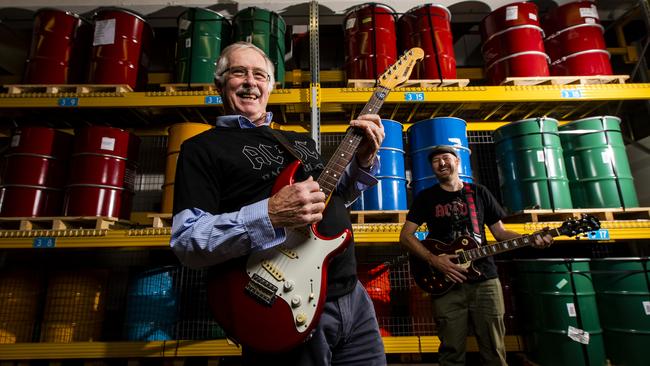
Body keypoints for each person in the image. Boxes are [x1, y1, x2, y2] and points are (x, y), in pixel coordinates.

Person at [170, 41, 387, 365]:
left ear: (271, 86)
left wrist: (364, 162)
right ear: (219, 83)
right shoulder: (201, 149)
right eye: (238, 72)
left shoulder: (298, 140)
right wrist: (269, 213)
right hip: (281, 300)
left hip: (351, 294)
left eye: (259, 74)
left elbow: (332, 199)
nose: (250, 82)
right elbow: (187, 241)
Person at [399, 145, 553, 366]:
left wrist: (530, 239)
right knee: (451, 352)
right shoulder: (426, 197)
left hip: (485, 282)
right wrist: (435, 260)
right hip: (446, 282)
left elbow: (500, 233)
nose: (441, 163)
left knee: (494, 350)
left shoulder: (479, 193)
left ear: (457, 161)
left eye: (446, 158)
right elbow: (406, 237)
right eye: (435, 161)